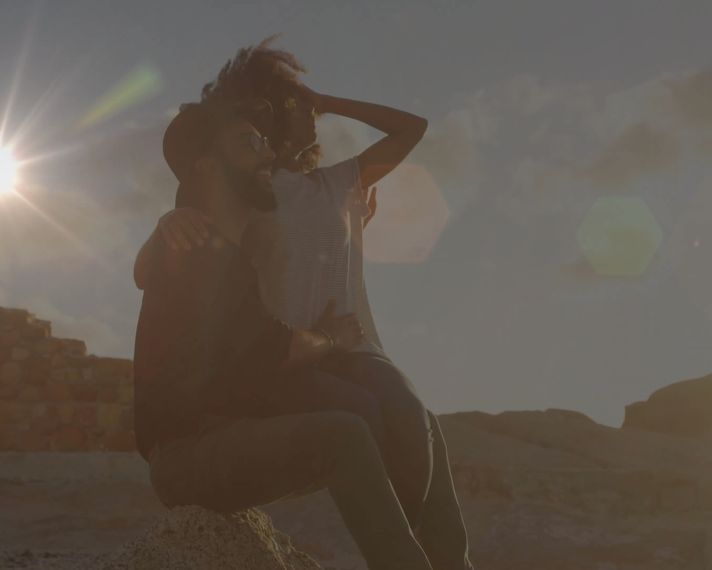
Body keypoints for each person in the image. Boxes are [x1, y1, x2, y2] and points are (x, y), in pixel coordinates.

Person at [133, 39, 474, 570]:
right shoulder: (232, 212)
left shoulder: (308, 188)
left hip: (328, 352)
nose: (307, 114)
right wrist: (165, 225)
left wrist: (328, 102)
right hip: (277, 364)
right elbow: (175, 247)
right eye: (293, 106)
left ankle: (444, 561)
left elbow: (411, 129)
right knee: (357, 424)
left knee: (416, 419)